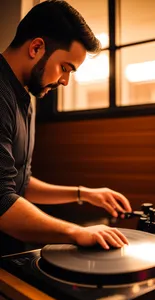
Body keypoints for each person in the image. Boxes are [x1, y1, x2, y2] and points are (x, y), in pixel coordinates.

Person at [0, 0, 132, 256]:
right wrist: (77, 232)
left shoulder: (25, 96)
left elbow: (20, 184)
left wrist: (85, 194)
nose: (65, 81)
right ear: (36, 47)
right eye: (65, 68)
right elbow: (2, 202)